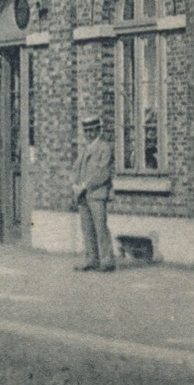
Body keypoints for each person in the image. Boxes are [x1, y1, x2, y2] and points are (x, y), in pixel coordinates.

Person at [71, 116, 116, 272]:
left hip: (97, 194)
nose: (89, 134)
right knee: (87, 228)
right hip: (83, 195)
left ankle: (107, 260)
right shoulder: (85, 149)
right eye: (87, 131)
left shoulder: (105, 148)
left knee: (100, 227)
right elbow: (76, 168)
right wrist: (74, 184)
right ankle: (91, 259)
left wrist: (84, 185)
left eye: (92, 131)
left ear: (99, 130)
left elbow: (102, 173)